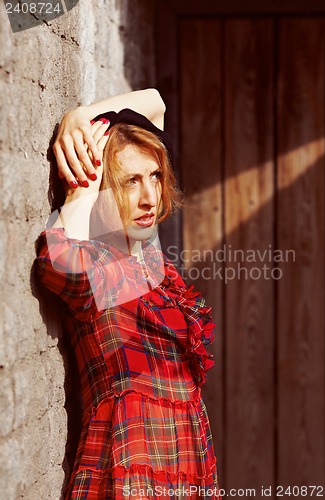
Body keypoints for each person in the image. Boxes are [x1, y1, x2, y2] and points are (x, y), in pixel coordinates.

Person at [34, 89, 220, 499]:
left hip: (188, 464)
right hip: (129, 467)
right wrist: (82, 187)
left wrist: (82, 117)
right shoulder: (97, 266)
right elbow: (56, 261)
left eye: (155, 176)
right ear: (102, 185)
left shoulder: (152, 263)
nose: (149, 196)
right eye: (130, 181)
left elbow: (156, 102)